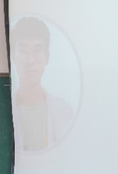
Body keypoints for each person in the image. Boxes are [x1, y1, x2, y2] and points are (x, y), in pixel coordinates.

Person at [10, 17, 74, 152]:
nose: (30, 60)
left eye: (37, 50)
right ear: (13, 56)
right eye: (23, 51)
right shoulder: (3, 110)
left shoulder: (64, 112)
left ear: (47, 57)